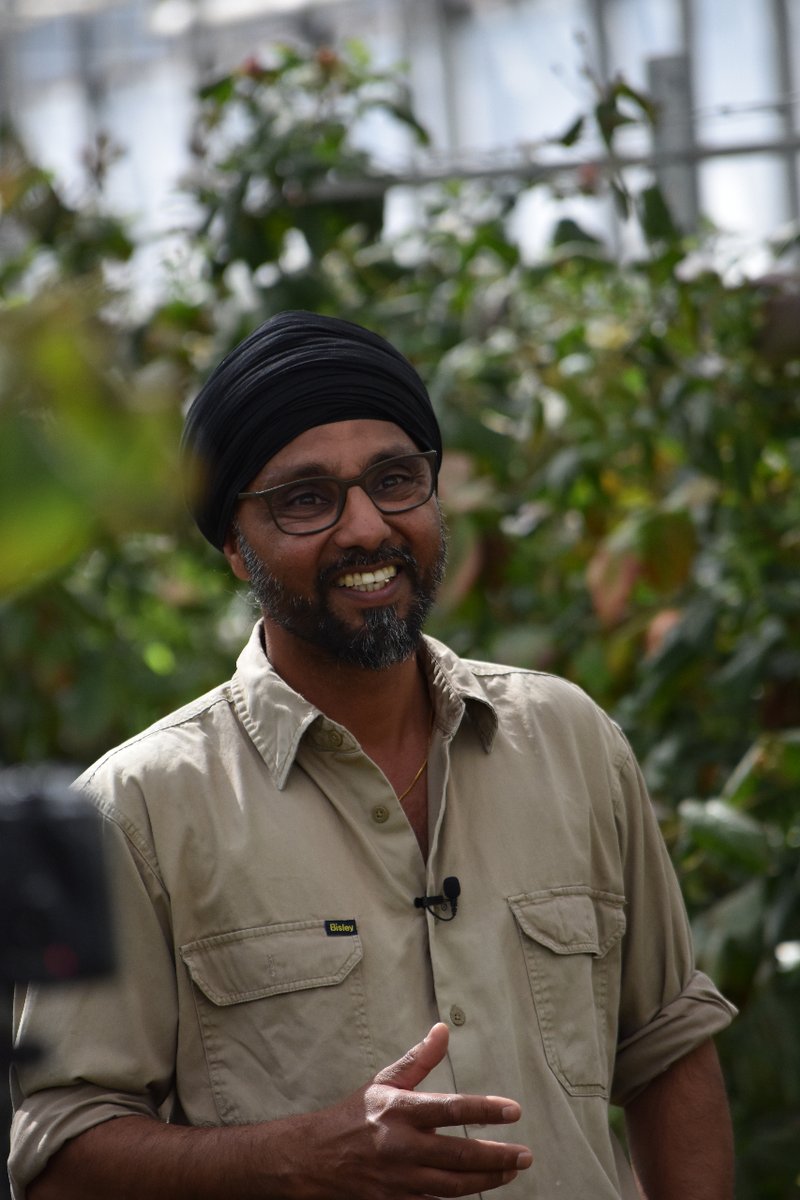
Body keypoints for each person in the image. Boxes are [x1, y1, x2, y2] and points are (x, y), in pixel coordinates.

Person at [9, 311, 736, 1199]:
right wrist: (300, 1157)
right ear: (234, 544)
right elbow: (59, 1153)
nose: (365, 528)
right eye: (305, 498)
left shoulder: (569, 739)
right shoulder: (136, 809)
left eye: (395, 481)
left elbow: (667, 1046)